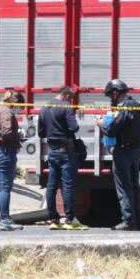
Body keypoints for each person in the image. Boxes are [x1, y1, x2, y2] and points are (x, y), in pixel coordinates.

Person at [39, 86, 87, 230]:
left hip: (52, 152)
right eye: (70, 99)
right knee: (67, 186)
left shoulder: (44, 108)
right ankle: (69, 220)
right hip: (66, 152)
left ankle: (54, 220)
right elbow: (74, 127)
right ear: (67, 96)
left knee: (51, 186)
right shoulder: (66, 107)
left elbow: (41, 133)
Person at [100, 79, 140, 231]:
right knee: (134, 186)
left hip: (123, 152)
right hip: (135, 151)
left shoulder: (123, 108)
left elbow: (111, 130)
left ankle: (128, 221)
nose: (111, 99)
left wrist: (101, 124)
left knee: (124, 188)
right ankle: (138, 222)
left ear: (115, 92)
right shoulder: (138, 106)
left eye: (110, 96)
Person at [0, 90, 26, 231]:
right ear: (14, 103)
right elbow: (7, 132)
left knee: (3, 187)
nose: (20, 110)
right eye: (20, 107)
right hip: (5, 151)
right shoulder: (6, 113)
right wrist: (19, 136)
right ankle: (5, 220)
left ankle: (4, 218)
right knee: (5, 187)